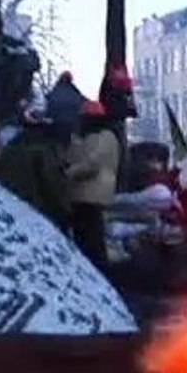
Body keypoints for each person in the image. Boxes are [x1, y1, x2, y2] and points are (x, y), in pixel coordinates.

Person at [66, 99, 123, 270]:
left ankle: (97, 269)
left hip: (90, 194)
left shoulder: (104, 137)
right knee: (88, 235)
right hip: (88, 194)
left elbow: (92, 164)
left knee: (90, 238)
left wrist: (67, 173)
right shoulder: (92, 137)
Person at [0, 107, 74, 231]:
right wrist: (66, 212)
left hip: (8, 190)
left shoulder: (17, 141)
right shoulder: (43, 150)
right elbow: (51, 185)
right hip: (29, 201)